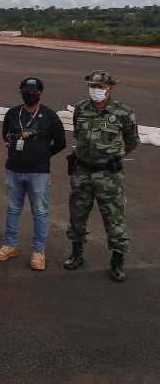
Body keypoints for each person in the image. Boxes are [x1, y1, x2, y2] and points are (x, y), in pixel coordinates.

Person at [64, 70, 139, 282]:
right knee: (77, 215)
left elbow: (132, 141)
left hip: (109, 175)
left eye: (99, 87)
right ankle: (77, 254)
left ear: (110, 88)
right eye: (91, 86)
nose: (95, 90)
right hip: (82, 172)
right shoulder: (80, 108)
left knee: (114, 219)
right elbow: (78, 136)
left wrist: (113, 156)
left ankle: (117, 261)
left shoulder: (123, 112)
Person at [0, 77, 66, 270]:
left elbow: (61, 142)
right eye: (26, 92)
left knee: (40, 212)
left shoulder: (50, 115)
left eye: (34, 93)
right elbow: (5, 135)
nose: (30, 95)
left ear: (41, 94)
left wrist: (42, 155)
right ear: (20, 92)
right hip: (14, 170)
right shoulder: (12, 113)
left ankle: (38, 252)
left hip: (38, 173)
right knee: (13, 210)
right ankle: (9, 246)